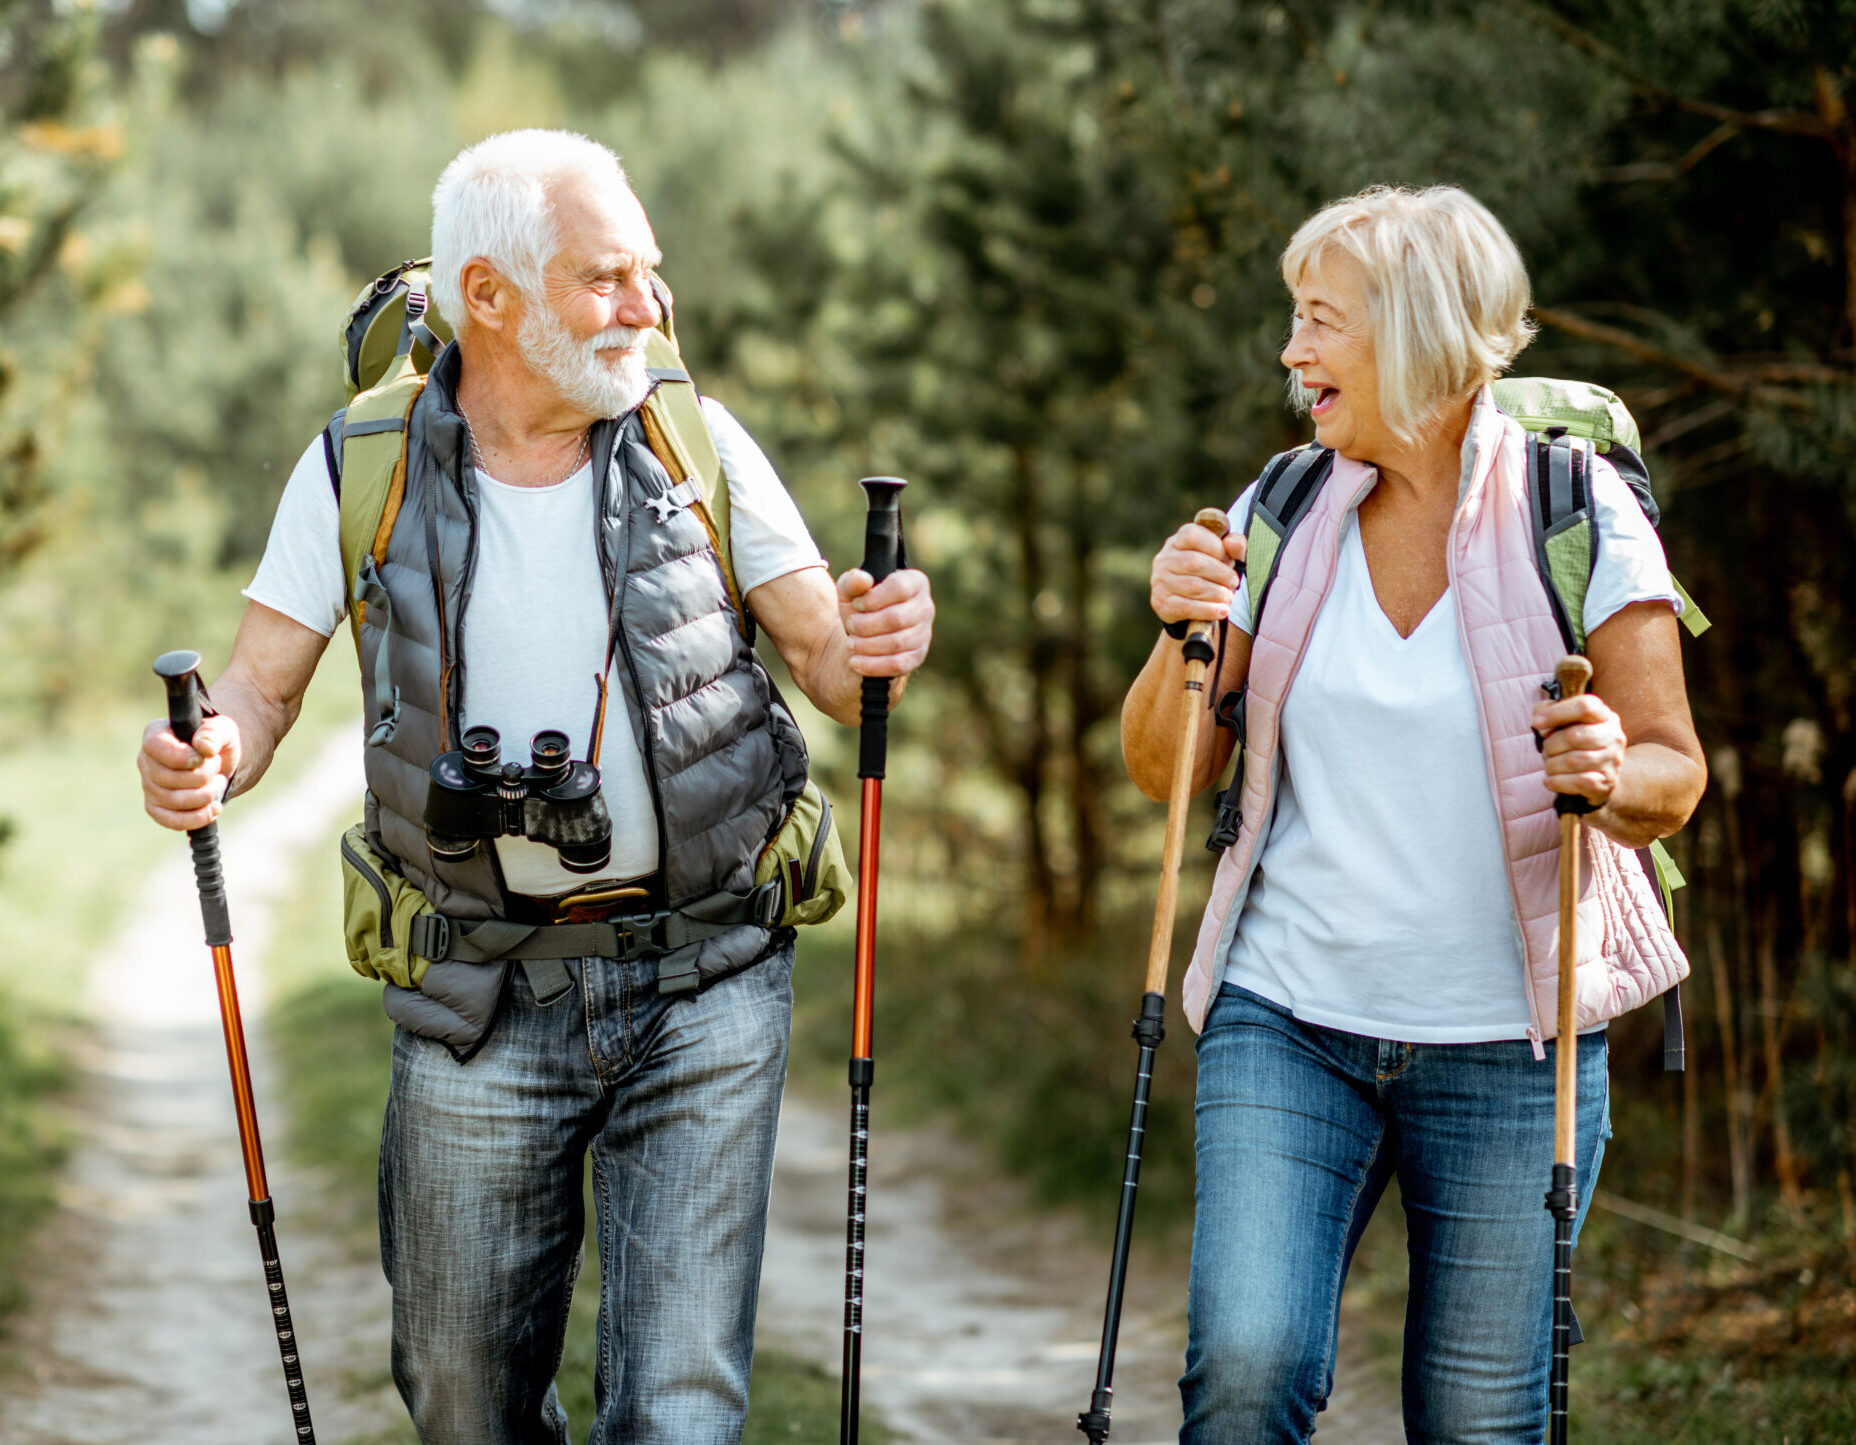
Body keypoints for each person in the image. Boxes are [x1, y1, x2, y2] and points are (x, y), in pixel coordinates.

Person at [136, 129, 934, 1444]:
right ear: (489, 295)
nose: (647, 307)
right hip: (475, 987)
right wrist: (204, 753)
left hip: (707, 975)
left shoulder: (696, 439)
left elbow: (836, 668)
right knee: (462, 1400)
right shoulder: (362, 464)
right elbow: (259, 690)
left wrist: (888, 633)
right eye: (604, 278)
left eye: (648, 272)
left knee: (678, 1410)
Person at [1121, 185, 1704, 1442]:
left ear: (1420, 335)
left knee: (1479, 1423)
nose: (1290, 352)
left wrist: (1608, 768)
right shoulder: (1281, 505)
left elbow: (1673, 772)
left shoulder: (1575, 512)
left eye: (1319, 322)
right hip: (1290, 1020)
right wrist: (1178, 633)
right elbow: (1163, 768)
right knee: (1242, 1367)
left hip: (1509, 1047)